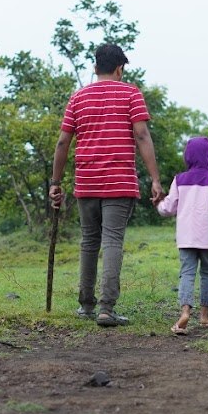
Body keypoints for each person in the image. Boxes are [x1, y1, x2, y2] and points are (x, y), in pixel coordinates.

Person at [49, 43, 163, 327]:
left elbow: (63, 141)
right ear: (119, 68)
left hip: (86, 182)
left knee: (89, 241)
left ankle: (86, 305)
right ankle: (106, 308)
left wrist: (55, 182)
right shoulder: (130, 94)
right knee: (112, 241)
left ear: (94, 67)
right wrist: (156, 179)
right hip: (119, 183)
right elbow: (142, 136)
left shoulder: (78, 98)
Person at [156, 136, 208, 336]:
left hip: (186, 236)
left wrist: (158, 205)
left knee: (187, 273)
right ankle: (204, 315)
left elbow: (169, 208)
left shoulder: (179, 179)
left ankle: (185, 312)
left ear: (188, 157)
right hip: (207, 237)